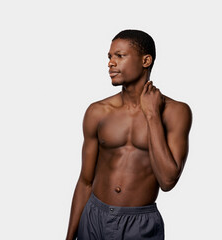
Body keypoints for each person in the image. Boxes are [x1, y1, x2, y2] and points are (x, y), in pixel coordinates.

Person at [65, 29, 192, 240]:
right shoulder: (98, 111)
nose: (110, 63)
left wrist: (152, 115)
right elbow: (85, 181)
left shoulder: (176, 112)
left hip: (139, 224)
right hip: (94, 216)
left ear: (146, 60)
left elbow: (168, 180)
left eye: (120, 56)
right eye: (109, 57)